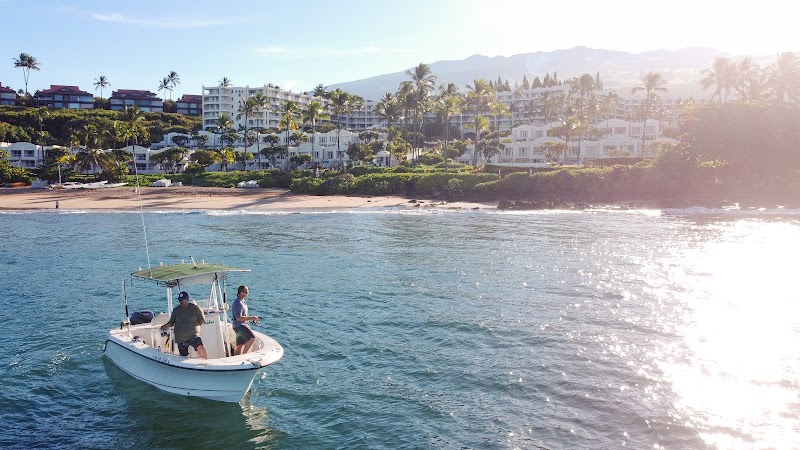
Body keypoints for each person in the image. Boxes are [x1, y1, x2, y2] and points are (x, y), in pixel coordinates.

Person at [160, 291, 207, 359]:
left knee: (200, 347)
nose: (182, 302)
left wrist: (195, 327)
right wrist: (164, 327)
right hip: (181, 337)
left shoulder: (195, 308)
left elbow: (202, 320)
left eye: (183, 300)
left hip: (193, 335)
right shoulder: (176, 310)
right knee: (183, 356)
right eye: (180, 300)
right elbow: (171, 322)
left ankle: (205, 363)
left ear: (188, 299)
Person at [231, 285, 259, 355]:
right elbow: (239, 318)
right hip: (240, 326)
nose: (246, 294)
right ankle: (244, 355)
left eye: (247, 292)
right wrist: (251, 318)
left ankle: (236, 358)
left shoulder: (242, 302)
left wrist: (251, 320)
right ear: (239, 292)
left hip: (237, 326)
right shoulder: (238, 303)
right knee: (252, 338)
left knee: (239, 344)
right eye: (244, 292)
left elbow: (243, 316)